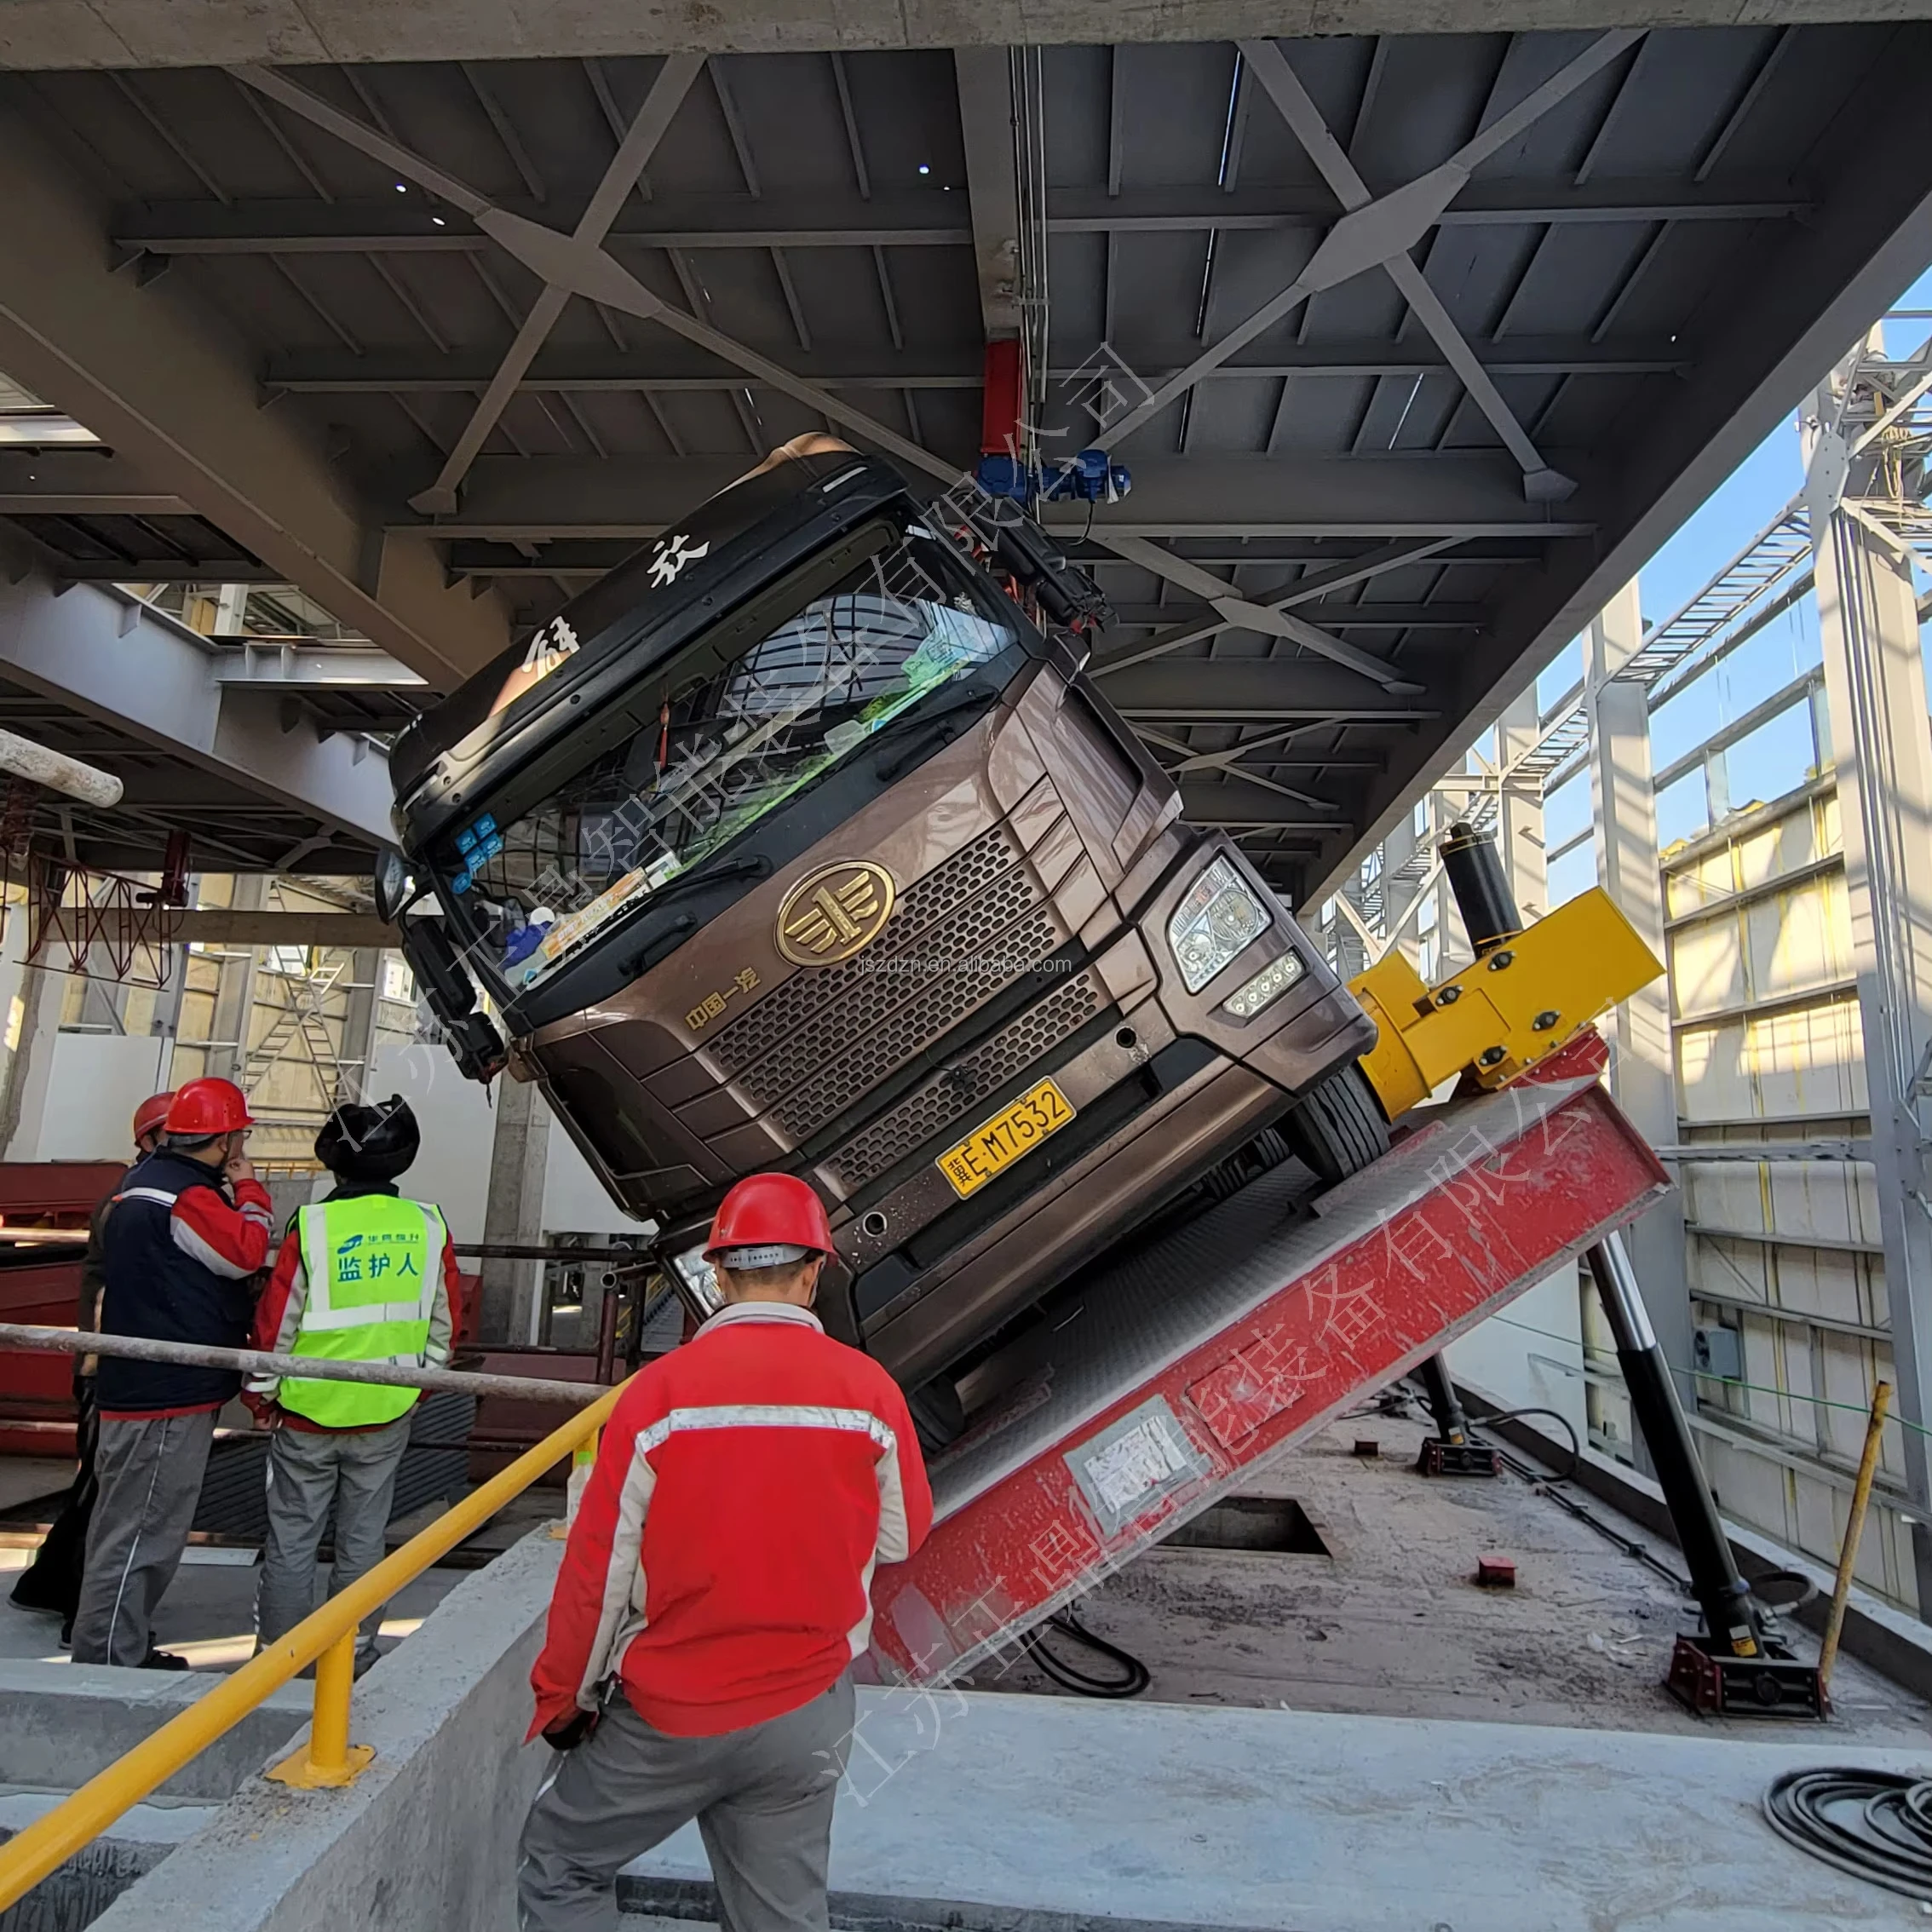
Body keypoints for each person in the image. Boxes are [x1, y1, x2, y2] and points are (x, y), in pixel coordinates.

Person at [517, 1172, 934, 1932]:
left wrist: (564, 1699)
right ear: (813, 1273)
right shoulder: (870, 1391)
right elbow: (904, 1535)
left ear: (717, 1274)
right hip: (806, 1711)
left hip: (671, 1713)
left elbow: (599, 1574)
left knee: (561, 1863)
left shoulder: (657, 1395)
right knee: (780, 1915)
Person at [244, 1096, 462, 1668]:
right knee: (364, 1536)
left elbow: (276, 1325)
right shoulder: (427, 1225)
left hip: (306, 1411)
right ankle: (354, 1650)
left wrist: (261, 1397)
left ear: (334, 1164)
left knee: (292, 1536)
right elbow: (446, 1323)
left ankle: (279, 1658)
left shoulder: (314, 1226)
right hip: (387, 1409)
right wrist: (417, 1386)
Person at [69, 1077, 273, 1669]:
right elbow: (246, 1251)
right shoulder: (186, 1197)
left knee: (129, 1526)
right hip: (165, 1391)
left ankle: (116, 1647)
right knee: (140, 1533)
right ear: (226, 1140)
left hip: (141, 1380)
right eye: (239, 1136)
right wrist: (250, 1188)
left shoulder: (142, 1185)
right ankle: (110, 1662)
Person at [9, 1090, 175, 1641]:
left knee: (99, 1487)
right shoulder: (136, 1203)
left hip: (111, 1364)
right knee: (107, 1493)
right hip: (110, 1369)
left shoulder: (138, 1193)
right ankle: (86, 1612)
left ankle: (50, 1585)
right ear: (151, 1139)